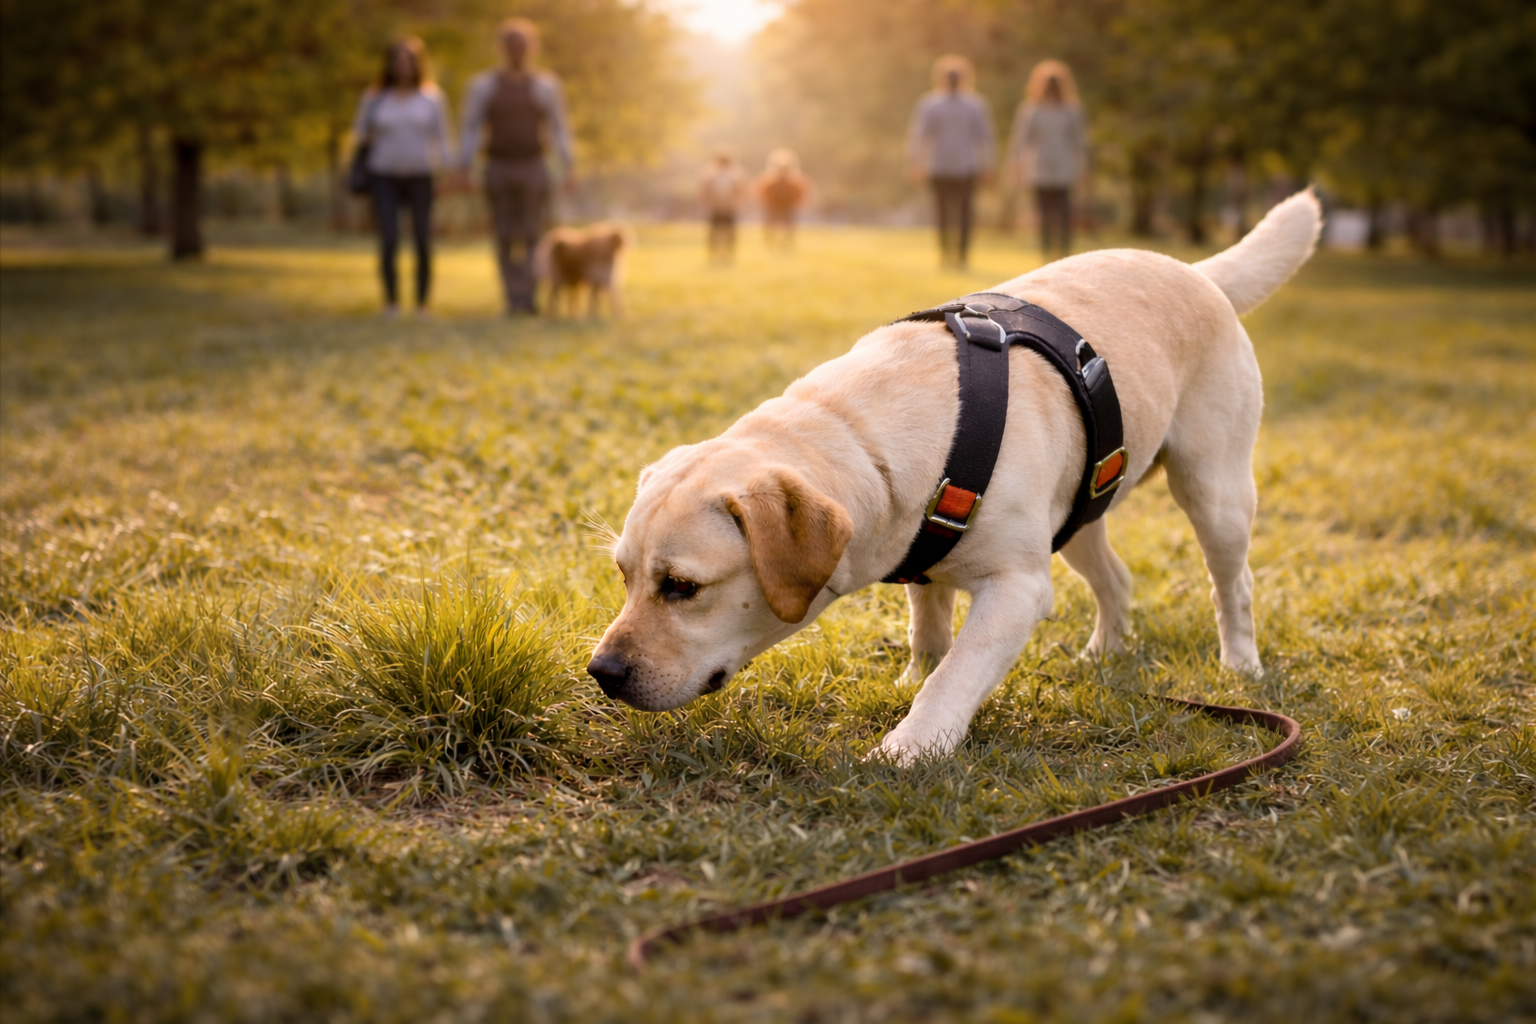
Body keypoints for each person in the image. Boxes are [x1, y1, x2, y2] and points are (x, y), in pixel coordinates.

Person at [460, 18, 575, 315]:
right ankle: (512, 297)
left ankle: (529, 295)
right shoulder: (483, 86)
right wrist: (463, 166)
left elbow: (560, 127)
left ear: (531, 48)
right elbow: (471, 127)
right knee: (503, 234)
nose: (517, 52)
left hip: (533, 165)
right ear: (502, 49)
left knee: (533, 233)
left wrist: (568, 165)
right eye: (511, 46)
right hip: (497, 166)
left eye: (522, 46)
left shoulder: (546, 86)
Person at [352, 38, 453, 316]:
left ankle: (422, 303)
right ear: (390, 65)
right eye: (398, 60)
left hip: (422, 175)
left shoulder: (432, 98)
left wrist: (450, 171)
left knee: (422, 238)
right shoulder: (374, 99)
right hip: (383, 175)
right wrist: (367, 137)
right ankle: (391, 302)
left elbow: (443, 138)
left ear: (418, 64)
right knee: (389, 238)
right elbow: (359, 134)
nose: (404, 66)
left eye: (409, 60)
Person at [906, 55, 995, 269]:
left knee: (944, 213)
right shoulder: (973, 104)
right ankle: (958, 256)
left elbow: (919, 137)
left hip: (943, 166)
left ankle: (949, 255)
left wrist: (915, 163)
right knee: (962, 214)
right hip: (961, 166)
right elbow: (985, 138)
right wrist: (988, 164)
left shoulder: (931, 104)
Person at [1007, 60, 1087, 258]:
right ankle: (1050, 251)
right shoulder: (1034, 110)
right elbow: (1021, 141)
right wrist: (1015, 165)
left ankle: (1059, 252)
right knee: (1051, 213)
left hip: (1056, 169)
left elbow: (1079, 143)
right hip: (1046, 169)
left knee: (1060, 213)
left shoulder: (1070, 111)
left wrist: (1015, 165)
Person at [755, 149, 811, 250]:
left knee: (790, 225)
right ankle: (770, 241)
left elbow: (801, 193)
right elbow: (762, 192)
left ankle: (788, 242)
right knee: (770, 224)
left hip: (788, 205)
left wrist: (798, 202)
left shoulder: (795, 181)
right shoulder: (769, 180)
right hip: (773, 205)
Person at [699, 151, 747, 264]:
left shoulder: (735, 175)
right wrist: (708, 203)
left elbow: (741, 191)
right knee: (713, 232)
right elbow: (704, 191)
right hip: (716, 207)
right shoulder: (710, 175)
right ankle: (713, 253)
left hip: (729, 207)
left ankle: (729, 254)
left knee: (730, 232)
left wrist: (736, 203)